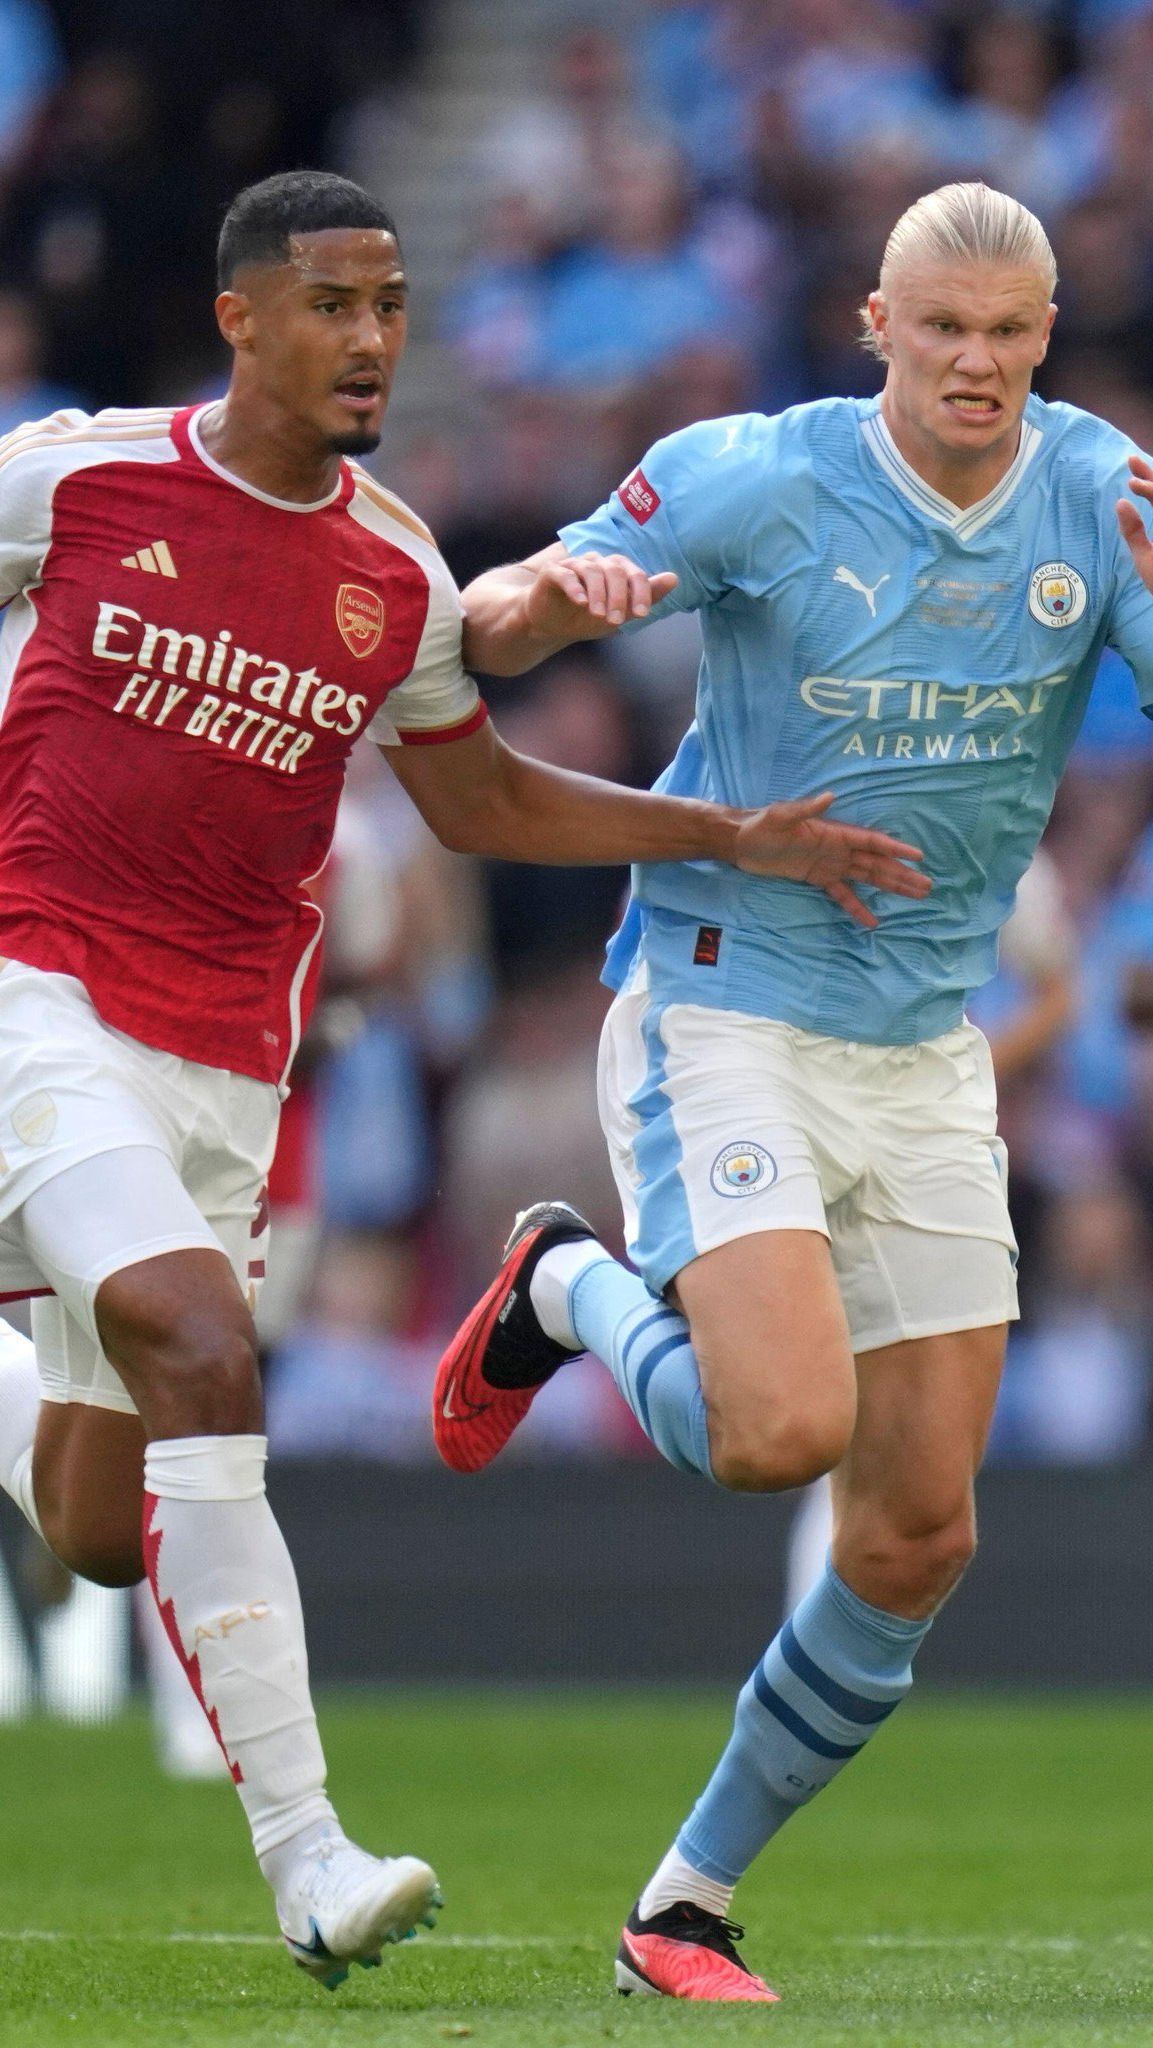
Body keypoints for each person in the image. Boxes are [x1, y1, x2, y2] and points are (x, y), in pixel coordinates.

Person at [0, 166, 926, 1988]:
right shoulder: (77, 476)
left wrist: (731, 832)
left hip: (226, 1066)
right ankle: (311, 1855)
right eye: (334, 305)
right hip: (37, 1000)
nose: (370, 339)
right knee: (204, 1343)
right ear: (241, 317)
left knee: (107, 1531)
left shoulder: (390, 571)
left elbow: (479, 794)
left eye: (393, 305)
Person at [430, 180, 1153, 2003]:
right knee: (774, 1436)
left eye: (1007, 333)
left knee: (918, 1532)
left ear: (1044, 338)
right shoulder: (757, 472)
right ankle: (562, 1282)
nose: (975, 363)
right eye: (942, 330)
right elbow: (494, 621)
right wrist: (554, 590)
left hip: (921, 1044)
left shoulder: (1102, 498)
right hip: (720, 1001)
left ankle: (681, 1904)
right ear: (875, 326)